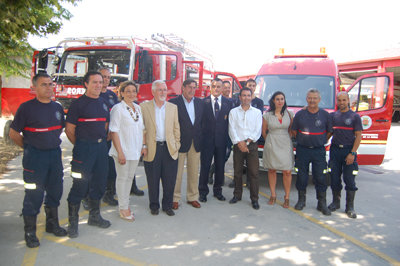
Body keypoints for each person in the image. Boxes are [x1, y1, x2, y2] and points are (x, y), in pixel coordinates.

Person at [9, 73, 67, 248]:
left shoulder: (57, 107)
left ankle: (52, 224)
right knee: (34, 193)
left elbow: (58, 130)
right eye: (44, 85)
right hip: (35, 157)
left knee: (55, 190)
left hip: (54, 155)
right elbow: (14, 133)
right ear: (34, 88)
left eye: (51, 84)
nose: (49, 88)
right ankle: (30, 231)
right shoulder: (26, 108)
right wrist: (28, 147)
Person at [65, 71, 111, 238]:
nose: (99, 85)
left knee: (99, 183)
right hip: (84, 150)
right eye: (95, 82)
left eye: (100, 82)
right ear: (86, 84)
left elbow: (105, 126)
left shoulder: (104, 102)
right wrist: (82, 145)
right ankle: (73, 224)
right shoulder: (78, 105)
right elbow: (69, 130)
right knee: (80, 185)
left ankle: (94, 216)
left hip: (100, 149)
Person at [141, 80, 180, 216]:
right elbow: (142, 129)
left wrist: (176, 145)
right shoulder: (144, 107)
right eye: (160, 90)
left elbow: (176, 128)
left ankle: (167, 206)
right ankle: (154, 205)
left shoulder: (172, 107)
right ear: (153, 92)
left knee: (169, 180)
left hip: (169, 149)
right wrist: (143, 145)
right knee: (152, 180)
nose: (163, 92)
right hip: (152, 148)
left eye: (165, 89)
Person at [109, 81, 146, 221]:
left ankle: (126, 204)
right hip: (122, 150)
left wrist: (143, 146)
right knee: (122, 178)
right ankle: (123, 208)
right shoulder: (118, 109)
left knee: (130, 178)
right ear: (122, 93)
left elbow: (142, 129)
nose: (131, 94)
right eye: (128, 91)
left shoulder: (138, 108)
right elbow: (114, 131)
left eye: (133, 91)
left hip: (134, 150)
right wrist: (120, 152)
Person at [291, 88, 332, 215]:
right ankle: (301, 200)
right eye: (310, 98)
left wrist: (319, 140)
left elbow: (329, 132)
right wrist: (304, 140)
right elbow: (293, 131)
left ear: (319, 100)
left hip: (318, 151)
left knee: (320, 177)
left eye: (315, 98)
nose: (312, 100)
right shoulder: (300, 114)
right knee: (302, 177)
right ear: (306, 99)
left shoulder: (325, 115)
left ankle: (322, 203)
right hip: (302, 150)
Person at [169, 79, 204, 210]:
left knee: (194, 172)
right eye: (189, 87)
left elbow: (202, 123)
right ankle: (175, 198)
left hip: (196, 143)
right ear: (183, 88)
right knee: (176, 173)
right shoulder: (173, 103)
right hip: (179, 143)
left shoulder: (200, 103)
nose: (192, 90)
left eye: (194, 87)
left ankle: (192, 197)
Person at [327, 91, 362, 219]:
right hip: (335, 150)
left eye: (344, 100)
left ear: (348, 100)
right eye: (339, 100)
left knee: (349, 180)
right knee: (334, 178)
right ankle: (336, 203)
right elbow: (330, 133)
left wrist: (352, 153)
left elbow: (358, 136)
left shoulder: (354, 117)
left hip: (348, 151)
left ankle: (350, 207)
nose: (341, 103)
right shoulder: (333, 116)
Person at [228, 88, 262, 209]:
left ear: (252, 97)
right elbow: (231, 129)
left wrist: (247, 142)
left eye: (248, 95)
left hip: (251, 145)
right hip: (238, 145)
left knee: (253, 173)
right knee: (237, 172)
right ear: (240, 97)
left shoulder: (257, 112)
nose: (246, 98)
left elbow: (257, 130)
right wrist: (239, 143)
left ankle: (254, 199)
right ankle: (237, 195)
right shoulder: (233, 112)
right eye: (243, 95)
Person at [198, 78, 232, 202]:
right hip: (206, 142)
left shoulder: (229, 103)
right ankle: (202, 192)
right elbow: (199, 122)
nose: (216, 89)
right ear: (210, 88)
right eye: (214, 86)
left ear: (222, 88)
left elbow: (230, 123)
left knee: (220, 168)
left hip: (222, 142)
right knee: (205, 167)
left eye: (218, 86)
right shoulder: (203, 102)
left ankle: (218, 191)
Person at [262, 91, 294, 208]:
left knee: (287, 171)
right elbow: (263, 131)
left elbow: (291, 130)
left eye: (282, 99)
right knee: (272, 169)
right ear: (273, 101)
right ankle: (273, 195)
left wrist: (286, 138)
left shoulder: (290, 114)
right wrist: (270, 141)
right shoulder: (267, 115)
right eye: (277, 99)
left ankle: (287, 197)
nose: (280, 101)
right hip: (272, 142)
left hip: (285, 143)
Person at [98, 68, 119, 206]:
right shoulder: (93, 95)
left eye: (108, 77)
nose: (106, 79)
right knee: (96, 169)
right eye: (103, 77)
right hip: (97, 139)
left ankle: (109, 194)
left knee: (112, 168)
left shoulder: (112, 96)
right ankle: (88, 196)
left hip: (111, 139)